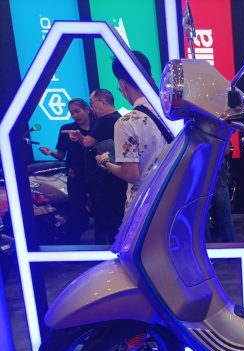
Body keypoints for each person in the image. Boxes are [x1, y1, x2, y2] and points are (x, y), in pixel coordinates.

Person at [95, 51, 173, 209]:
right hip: (173, 200)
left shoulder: (126, 122)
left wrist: (105, 162)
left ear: (122, 85)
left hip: (144, 207)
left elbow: (131, 175)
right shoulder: (173, 114)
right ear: (152, 80)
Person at [39, 98, 94, 244]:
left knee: (101, 210)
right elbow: (61, 155)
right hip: (75, 176)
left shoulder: (98, 126)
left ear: (87, 109)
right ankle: (74, 243)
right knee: (76, 210)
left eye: (77, 111)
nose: (74, 115)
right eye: (72, 113)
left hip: (97, 175)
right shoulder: (66, 129)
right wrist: (50, 152)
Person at [79, 89, 127, 244]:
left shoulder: (104, 120)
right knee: (118, 216)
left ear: (102, 102)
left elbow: (87, 142)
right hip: (120, 174)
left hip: (104, 178)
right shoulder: (120, 119)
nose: (92, 108)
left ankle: (104, 250)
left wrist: (80, 138)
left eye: (92, 103)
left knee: (104, 218)